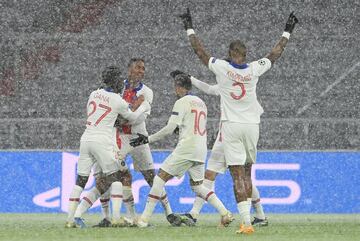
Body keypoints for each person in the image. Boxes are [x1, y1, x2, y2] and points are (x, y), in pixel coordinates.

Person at [178, 9, 298, 234]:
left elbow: (200, 51)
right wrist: (287, 31)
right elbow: (275, 53)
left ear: (229, 54)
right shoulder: (254, 69)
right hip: (252, 127)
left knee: (236, 177)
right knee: (233, 173)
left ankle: (248, 221)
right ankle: (197, 214)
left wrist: (189, 27)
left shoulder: (222, 69)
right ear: (246, 54)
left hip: (230, 128)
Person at [130, 73, 234, 228]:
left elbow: (169, 128)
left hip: (187, 148)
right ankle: (225, 213)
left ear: (178, 87)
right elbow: (191, 125)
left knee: (159, 178)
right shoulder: (201, 102)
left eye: (175, 86)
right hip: (200, 149)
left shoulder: (181, 102)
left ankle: (144, 219)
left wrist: (148, 138)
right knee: (198, 186)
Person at [170, 71, 268, 227]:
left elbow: (258, 112)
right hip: (224, 136)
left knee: (243, 176)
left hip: (237, 134)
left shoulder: (246, 90)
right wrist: (191, 78)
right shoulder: (228, 86)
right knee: (210, 174)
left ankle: (260, 216)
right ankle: (194, 214)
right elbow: (209, 89)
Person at [90, 58, 178, 227]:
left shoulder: (147, 91)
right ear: (129, 69)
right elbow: (114, 108)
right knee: (108, 175)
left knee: (151, 177)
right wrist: (126, 113)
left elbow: (141, 116)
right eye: (138, 68)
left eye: (143, 68)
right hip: (119, 137)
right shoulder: (118, 86)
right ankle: (110, 217)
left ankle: (170, 213)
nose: (141, 71)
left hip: (138, 137)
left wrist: (122, 119)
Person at [65, 66, 151, 228]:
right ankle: (116, 218)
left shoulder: (93, 94)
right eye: (119, 79)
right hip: (102, 141)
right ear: (114, 80)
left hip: (86, 139)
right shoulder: (117, 100)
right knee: (117, 178)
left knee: (80, 181)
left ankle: (71, 220)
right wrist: (143, 106)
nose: (122, 83)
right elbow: (131, 117)